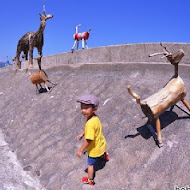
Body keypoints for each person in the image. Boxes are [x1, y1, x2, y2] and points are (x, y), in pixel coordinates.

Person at [76, 94, 109, 186]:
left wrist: (80, 150)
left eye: (86, 108)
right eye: (82, 107)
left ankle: (90, 180)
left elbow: (89, 140)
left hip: (94, 150)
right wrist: (82, 134)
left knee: (90, 165)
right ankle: (104, 156)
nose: (83, 110)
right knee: (101, 151)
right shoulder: (94, 117)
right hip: (101, 143)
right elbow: (90, 130)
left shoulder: (90, 123)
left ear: (94, 109)